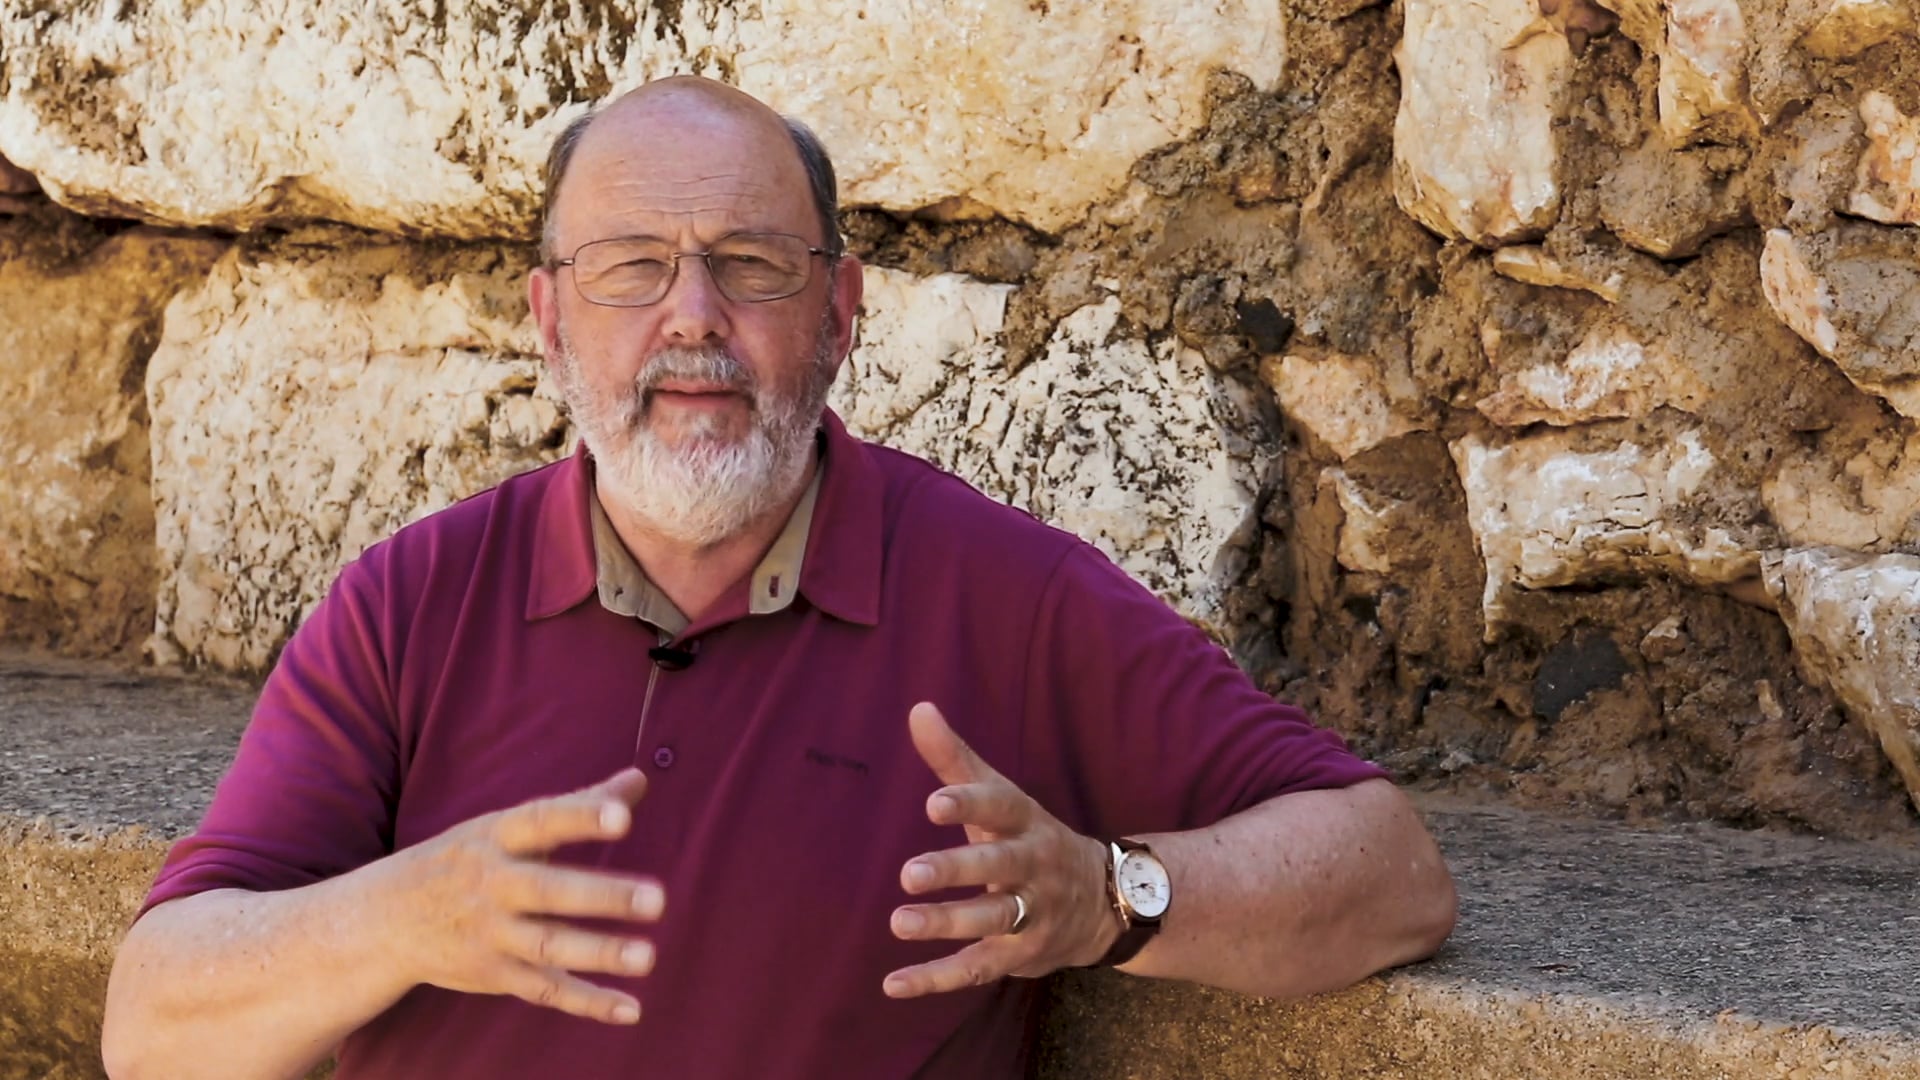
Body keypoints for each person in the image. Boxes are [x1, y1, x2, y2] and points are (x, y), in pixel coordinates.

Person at [102, 77, 1456, 1080]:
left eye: (750, 265)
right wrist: (402, 918)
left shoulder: (1004, 597)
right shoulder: (412, 604)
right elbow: (153, 1029)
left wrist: (1107, 899)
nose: (692, 316)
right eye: (631, 268)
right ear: (549, 318)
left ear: (840, 314)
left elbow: (1390, 873)